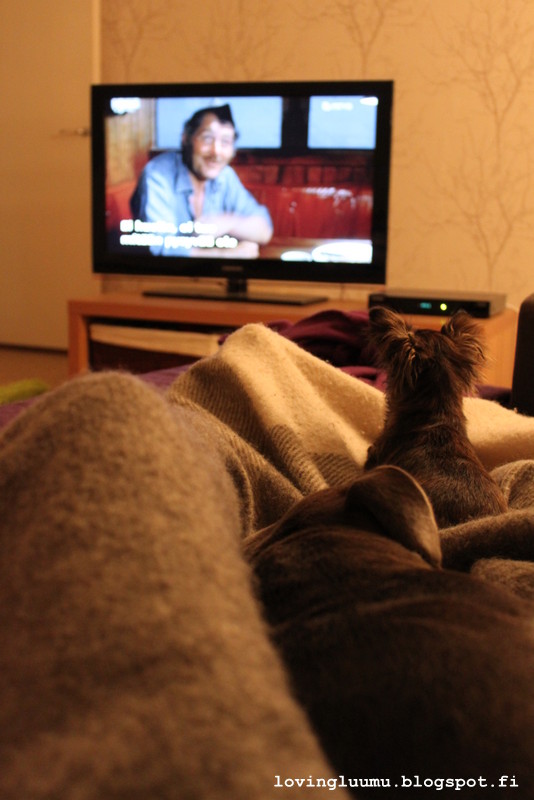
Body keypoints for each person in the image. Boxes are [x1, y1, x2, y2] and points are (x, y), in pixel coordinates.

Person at [130, 103, 273, 257]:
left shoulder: (225, 175)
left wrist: (227, 222)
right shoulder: (158, 175)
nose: (216, 152)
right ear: (186, 138)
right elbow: (158, 248)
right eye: (207, 138)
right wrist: (226, 255)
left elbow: (264, 229)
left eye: (225, 142)